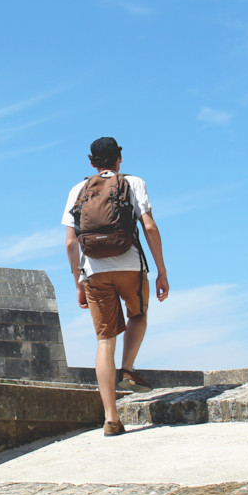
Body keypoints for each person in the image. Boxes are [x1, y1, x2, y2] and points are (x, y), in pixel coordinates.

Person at [62, 137, 169, 436]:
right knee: (138, 315)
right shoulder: (133, 183)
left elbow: (71, 243)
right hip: (130, 265)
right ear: (119, 158)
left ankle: (111, 417)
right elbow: (148, 226)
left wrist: (78, 282)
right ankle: (128, 368)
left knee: (104, 340)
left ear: (92, 162)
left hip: (93, 271)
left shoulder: (77, 190)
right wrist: (161, 271)